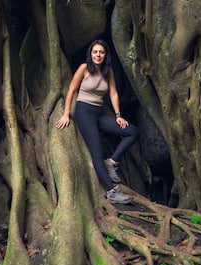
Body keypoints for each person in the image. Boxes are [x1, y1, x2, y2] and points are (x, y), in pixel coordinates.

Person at [55, 39, 139, 204]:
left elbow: (113, 93)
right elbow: (71, 89)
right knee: (97, 151)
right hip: (84, 112)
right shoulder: (84, 68)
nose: (98, 55)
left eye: (101, 52)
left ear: (105, 54)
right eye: (95, 52)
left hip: (99, 113)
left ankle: (112, 162)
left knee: (132, 131)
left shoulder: (108, 72)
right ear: (91, 54)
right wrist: (66, 113)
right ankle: (112, 191)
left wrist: (118, 115)